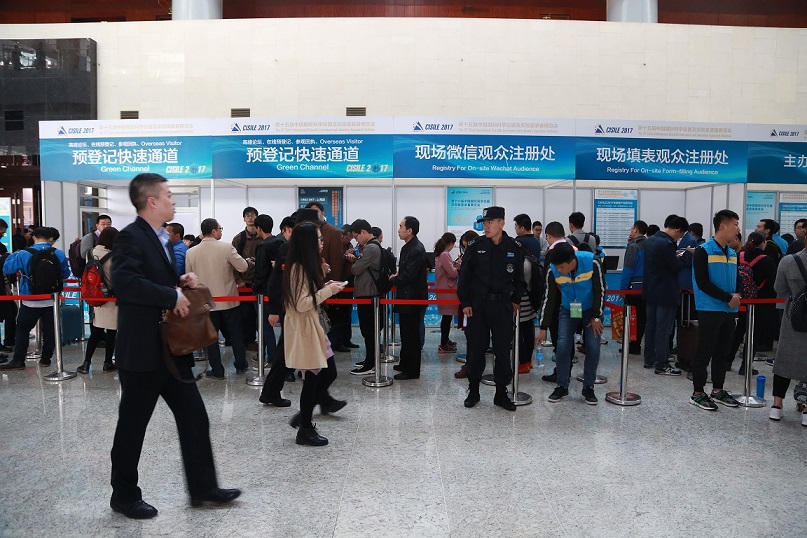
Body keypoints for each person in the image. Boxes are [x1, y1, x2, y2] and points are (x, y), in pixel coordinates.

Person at [109, 173, 240, 519]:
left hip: (170, 349)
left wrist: (180, 281)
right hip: (142, 351)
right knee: (132, 426)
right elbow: (125, 282)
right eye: (168, 195)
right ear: (151, 201)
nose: (173, 200)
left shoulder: (161, 238)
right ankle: (124, 495)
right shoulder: (131, 236)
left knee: (194, 416)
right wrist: (170, 294)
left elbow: (151, 280)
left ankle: (203, 488)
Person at [282, 222, 346, 446]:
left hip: (312, 327)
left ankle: (305, 415)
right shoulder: (298, 269)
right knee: (312, 380)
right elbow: (301, 304)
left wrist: (325, 284)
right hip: (304, 329)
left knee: (328, 373)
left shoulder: (305, 267)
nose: (321, 242)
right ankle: (305, 428)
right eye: (318, 239)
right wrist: (328, 290)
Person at [458, 207, 525, 411]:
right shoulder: (476, 246)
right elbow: (464, 277)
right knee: (476, 349)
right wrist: (465, 303)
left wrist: (516, 299)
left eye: (491, 222)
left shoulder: (513, 247)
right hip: (478, 306)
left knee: (502, 351)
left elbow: (520, 279)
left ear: (502, 223)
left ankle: (501, 394)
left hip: (502, 306)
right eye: (485, 223)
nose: (486, 226)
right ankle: (474, 391)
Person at [536, 241, 606, 404]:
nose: (559, 270)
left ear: (572, 262)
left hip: (591, 311)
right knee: (562, 346)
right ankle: (562, 385)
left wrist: (596, 317)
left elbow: (601, 290)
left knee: (593, 347)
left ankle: (588, 387)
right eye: (556, 267)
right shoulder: (553, 269)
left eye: (561, 267)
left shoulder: (592, 262)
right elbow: (548, 298)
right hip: (568, 309)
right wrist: (543, 327)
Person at [689, 210, 743, 411]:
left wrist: (737, 294)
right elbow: (702, 282)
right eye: (735, 224)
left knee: (723, 352)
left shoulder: (732, 253)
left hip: (729, 311)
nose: (738, 228)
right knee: (704, 352)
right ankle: (697, 393)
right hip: (710, 309)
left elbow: (737, 279)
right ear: (723, 226)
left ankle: (718, 390)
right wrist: (728, 298)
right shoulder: (703, 251)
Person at [185, 218, 250, 379]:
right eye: (220, 228)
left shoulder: (191, 252)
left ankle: (217, 370)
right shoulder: (226, 247)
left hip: (206, 302)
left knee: (211, 337)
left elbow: (189, 277)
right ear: (213, 231)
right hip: (228, 300)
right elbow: (243, 267)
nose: (221, 231)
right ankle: (241, 364)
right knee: (236, 333)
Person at [0, 227, 70, 371]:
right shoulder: (58, 253)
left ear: (34, 238)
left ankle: (19, 360)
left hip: (30, 299)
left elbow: (7, 268)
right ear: (50, 238)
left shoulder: (24, 253)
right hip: (51, 298)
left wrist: (13, 255)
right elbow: (65, 274)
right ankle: (46, 359)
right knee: (50, 330)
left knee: (23, 328)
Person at [642, 214, 691, 375]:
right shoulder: (667, 244)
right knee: (664, 329)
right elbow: (675, 266)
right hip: (666, 292)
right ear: (677, 230)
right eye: (680, 235)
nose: (679, 238)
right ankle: (662, 364)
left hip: (651, 290)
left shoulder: (651, 240)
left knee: (651, 327)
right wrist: (686, 255)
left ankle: (649, 359)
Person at [724, 232, 777, 375]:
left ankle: (727, 361)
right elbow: (773, 284)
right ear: (763, 243)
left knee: (738, 331)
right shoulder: (767, 261)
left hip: (740, 300)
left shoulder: (738, 256)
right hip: (760, 302)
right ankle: (745, 366)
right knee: (754, 334)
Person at [768, 233, 807, 425]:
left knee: (784, 358)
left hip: (794, 317)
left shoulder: (788, 261)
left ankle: (776, 406)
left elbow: (779, 289)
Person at [304, 202, 350, 349]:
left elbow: (336, 262)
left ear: (323, 213)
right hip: (311, 287)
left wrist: (333, 285)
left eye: (316, 212)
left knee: (329, 321)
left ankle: (332, 345)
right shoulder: (304, 232)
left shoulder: (332, 232)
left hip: (325, 283)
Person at [390, 216, 428, 380]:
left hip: (413, 298)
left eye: (401, 226)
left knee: (412, 335)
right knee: (406, 333)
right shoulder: (408, 247)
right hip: (406, 296)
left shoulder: (417, 249)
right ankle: (405, 363)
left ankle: (412, 371)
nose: (399, 230)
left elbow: (408, 276)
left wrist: (393, 279)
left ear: (409, 230)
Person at [77, 226, 119, 374]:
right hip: (111, 298)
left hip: (95, 296)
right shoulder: (115, 255)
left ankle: (86, 363)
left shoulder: (90, 253)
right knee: (112, 332)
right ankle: (108, 362)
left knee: (95, 333)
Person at [347, 219, 382, 375]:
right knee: (369, 332)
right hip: (368, 293)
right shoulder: (372, 246)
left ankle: (371, 364)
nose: (356, 240)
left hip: (369, 294)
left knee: (369, 332)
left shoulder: (370, 248)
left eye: (356, 236)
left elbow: (356, 270)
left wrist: (354, 262)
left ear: (363, 232)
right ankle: (370, 360)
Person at [252, 214, 285, 368]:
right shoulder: (281, 243)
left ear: (259, 228)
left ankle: (271, 357)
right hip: (280, 290)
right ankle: (275, 357)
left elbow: (261, 272)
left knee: (264, 327)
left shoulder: (263, 247)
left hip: (263, 292)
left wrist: (255, 287)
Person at [232, 206, 261, 350]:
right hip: (245, 282)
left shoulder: (263, 236)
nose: (250, 218)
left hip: (260, 281)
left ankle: (259, 341)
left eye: (253, 215)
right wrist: (239, 280)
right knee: (245, 314)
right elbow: (232, 261)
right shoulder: (239, 239)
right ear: (244, 219)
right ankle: (248, 341)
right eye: (247, 215)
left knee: (259, 314)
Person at [453, 230, 479, 379]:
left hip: (474, 302)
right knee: (471, 336)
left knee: (474, 337)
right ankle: (471, 366)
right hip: (469, 301)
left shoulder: (475, 256)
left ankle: (471, 366)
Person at [620, 220, 648, 355]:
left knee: (632, 318)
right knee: (642, 318)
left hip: (634, 287)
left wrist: (623, 289)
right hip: (647, 287)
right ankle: (637, 344)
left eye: (632, 228)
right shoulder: (649, 244)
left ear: (636, 229)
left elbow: (628, 269)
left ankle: (632, 345)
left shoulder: (634, 247)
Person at [434, 232, 458, 354]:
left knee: (447, 317)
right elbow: (452, 273)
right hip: (447, 290)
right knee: (447, 317)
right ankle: (443, 343)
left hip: (445, 289)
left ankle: (445, 340)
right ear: (450, 243)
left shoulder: (441, 254)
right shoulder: (445, 255)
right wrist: (459, 268)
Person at [0, 220, 16, 358]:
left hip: (2, 285)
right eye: (1, 230)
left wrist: (7, 286)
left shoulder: (2, 247)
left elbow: (4, 270)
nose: (3, 233)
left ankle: (8, 340)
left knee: (10, 311)